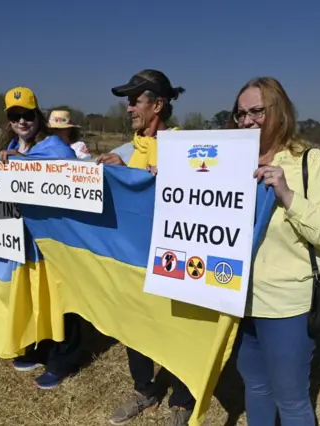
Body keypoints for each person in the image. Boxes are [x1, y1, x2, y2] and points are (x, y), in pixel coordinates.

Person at [229, 77, 320, 426]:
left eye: (256, 111)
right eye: (240, 114)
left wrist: (288, 195)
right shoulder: (231, 159)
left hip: (287, 304)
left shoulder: (310, 161)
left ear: (278, 112)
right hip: (234, 298)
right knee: (256, 387)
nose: (248, 121)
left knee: (291, 398)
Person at [102, 69, 192, 426]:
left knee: (178, 328)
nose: (128, 108)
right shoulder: (128, 148)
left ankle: (183, 401)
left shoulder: (186, 145)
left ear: (158, 104)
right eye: (127, 101)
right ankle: (145, 390)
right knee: (134, 327)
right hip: (133, 258)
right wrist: (118, 171)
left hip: (174, 258)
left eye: (134, 100)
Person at [0, 87, 94, 390]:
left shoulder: (55, 147)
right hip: (26, 240)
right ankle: (41, 347)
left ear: (37, 115)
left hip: (56, 238)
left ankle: (66, 357)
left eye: (28, 115)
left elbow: (75, 183)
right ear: (8, 120)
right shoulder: (12, 147)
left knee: (62, 296)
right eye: (16, 116)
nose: (22, 121)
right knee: (37, 293)